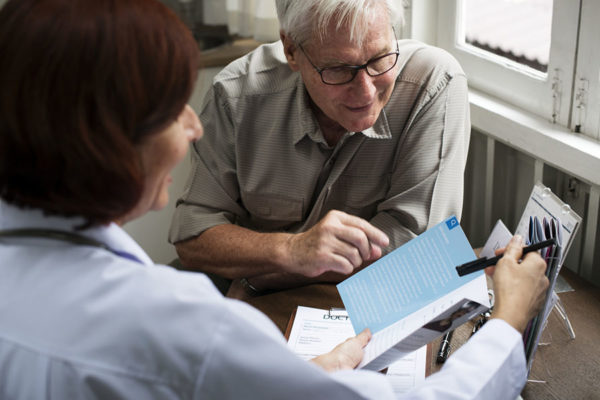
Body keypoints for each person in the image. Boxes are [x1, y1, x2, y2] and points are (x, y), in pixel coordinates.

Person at [0, 0, 549, 399]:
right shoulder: (191, 329)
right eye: (172, 108)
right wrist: (506, 322)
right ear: (106, 141)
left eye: (380, 61)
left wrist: (317, 372)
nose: (194, 126)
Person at [169, 0, 471, 294]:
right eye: (338, 69)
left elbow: (418, 247)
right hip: (243, 300)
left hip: (357, 296)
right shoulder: (236, 95)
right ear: (291, 50)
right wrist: (290, 250)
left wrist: (270, 273)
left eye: (379, 59)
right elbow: (192, 235)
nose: (366, 92)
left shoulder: (434, 84)